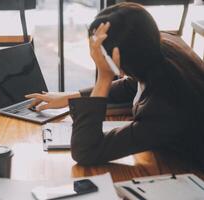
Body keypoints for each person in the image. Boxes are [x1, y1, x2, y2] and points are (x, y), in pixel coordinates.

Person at [26, 2, 204, 168]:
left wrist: (104, 77)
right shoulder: (159, 49)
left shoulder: (165, 107)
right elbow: (131, 86)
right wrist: (70, 96)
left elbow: (86, 151)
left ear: (119, 59)